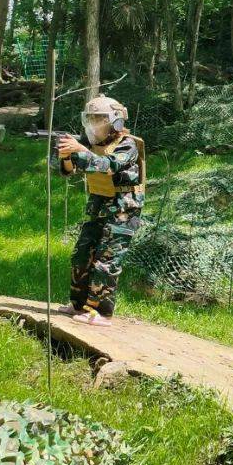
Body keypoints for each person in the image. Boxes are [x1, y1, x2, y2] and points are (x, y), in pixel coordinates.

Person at [56, 94, 145, 327]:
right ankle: (78, 304)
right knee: (82, 254)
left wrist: (80, 151)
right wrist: (67, 156)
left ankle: (100, 312)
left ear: (115, 121)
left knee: (107, 261)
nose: (95, 124)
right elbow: (68, 170)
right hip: (100, 208)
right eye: (92, 119)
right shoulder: (94, 145)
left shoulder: (129, 144)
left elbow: (109, 165)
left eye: (99, 119)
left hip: (123, 211)